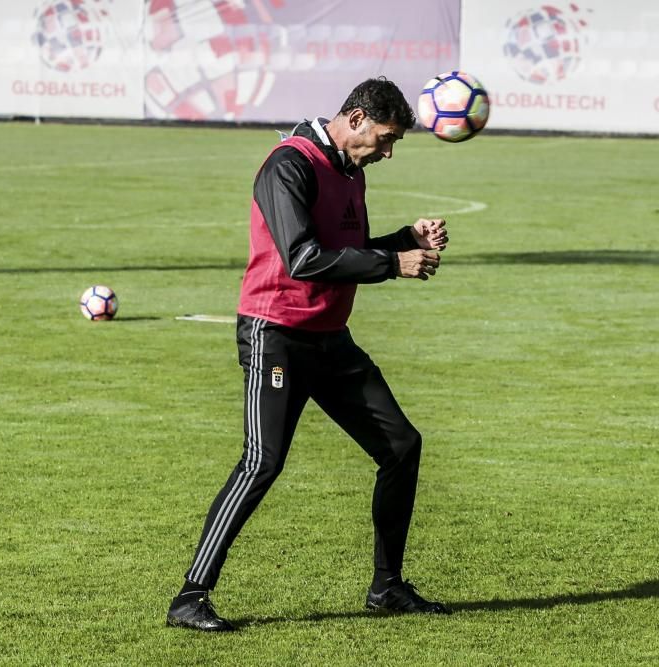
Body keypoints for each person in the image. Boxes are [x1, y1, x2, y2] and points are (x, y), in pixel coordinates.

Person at [167, 77, 452, 632]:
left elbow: (349, 250)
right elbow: (303, 258)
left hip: (330, 339)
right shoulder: (288, 165)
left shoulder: (351, 172)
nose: (387, 153)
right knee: (262, 463)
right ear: (355, 118)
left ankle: (387, 587)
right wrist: (395, 266)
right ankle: (190, 597)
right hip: (276, 335)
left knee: (401, 447)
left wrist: (402, 239)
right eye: (386, 139)